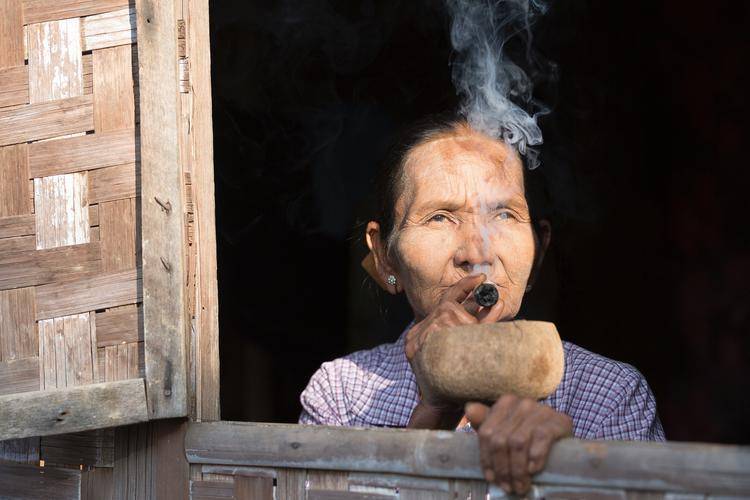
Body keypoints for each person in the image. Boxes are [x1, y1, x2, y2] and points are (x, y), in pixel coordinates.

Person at [299, 116, 665, 495]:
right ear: (384, 257)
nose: (477, 254)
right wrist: (432, 417)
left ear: (538, 253)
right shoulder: (342, 393)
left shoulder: (609, 395)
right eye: (439, 217)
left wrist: (565, 473)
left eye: (504, 214)